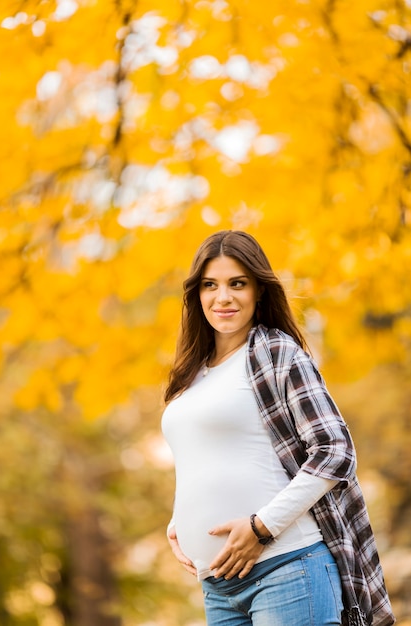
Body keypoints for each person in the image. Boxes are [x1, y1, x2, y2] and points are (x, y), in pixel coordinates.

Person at [161, 230, 394, 626]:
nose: (223, 298)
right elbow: (214, 455)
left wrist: (260, 527)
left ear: (259, 291)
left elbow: (334, 451)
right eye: (210, 285)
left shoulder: (275, 352)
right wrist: (180, 522)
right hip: (218, 584)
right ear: (196, 294)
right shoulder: (191, 374)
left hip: (287, 568)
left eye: (238, 284)